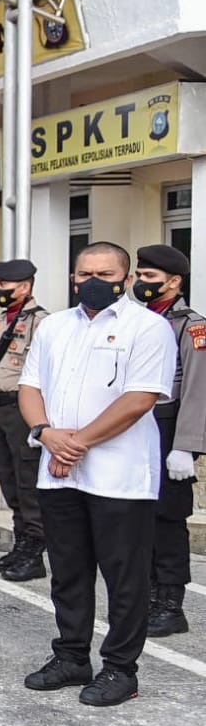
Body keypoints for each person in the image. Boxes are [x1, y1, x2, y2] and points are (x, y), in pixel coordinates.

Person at [19, 241, 176, 706]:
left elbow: (140, 399)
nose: (91, 281)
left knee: (124, 577)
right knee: (67, 573)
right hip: (59, 471)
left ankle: (121, 669)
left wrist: (76, 443)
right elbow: (31, 386)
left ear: (125, 278)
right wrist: (47, 434)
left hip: (120, 478)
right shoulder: (53, 327)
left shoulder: (148, 328)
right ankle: (71, 657)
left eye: (103, 273)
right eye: (83, 272)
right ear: (73, 276)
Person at [129, 244, 204, 637]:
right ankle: (151, 594)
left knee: (168, 519)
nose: (142, 283)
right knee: (140, 516)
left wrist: (186, 446)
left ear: (173, 282)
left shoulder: (190, 326)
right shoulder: (135, 319)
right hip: (134, 426)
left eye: (150, 278)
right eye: (139, 276)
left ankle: (171, 604)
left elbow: (197, 388)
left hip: (168, 426)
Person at [0, 259, 50, 582]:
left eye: (4, 286)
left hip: (23, 411)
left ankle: (34, 552)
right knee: (8, 479)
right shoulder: (2, 320)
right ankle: (21, 544)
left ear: (24, 287)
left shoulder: (41, 322)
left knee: (27, 483)